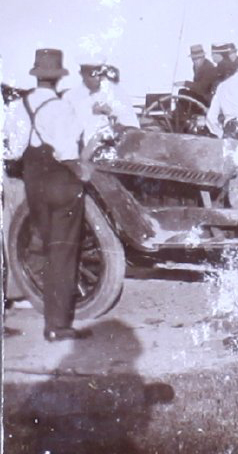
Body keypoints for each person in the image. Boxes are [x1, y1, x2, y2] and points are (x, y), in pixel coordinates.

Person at [2, 49, 91, 341]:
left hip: (33, 183)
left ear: (37, 75)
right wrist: (82, 172)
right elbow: (67, 152)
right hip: (61, 183)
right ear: (57, 78)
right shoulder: (61, 108)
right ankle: (57, 325)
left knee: (43, 244)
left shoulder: (19, 106)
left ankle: (39, 301)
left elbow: (13, 150)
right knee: (63, 252)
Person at [64, 60, 139, 145]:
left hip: (113, 146)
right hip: (81, 148)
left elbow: (131, 123)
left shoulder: (116, 92)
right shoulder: (70, 96)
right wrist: (90, 112)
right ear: (82, 74)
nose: (98, 78)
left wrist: (112, 113)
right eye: (93, 75)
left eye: (100, 74)